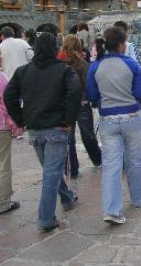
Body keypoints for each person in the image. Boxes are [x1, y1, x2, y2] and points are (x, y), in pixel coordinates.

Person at [4, 32, 81, 231]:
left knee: (50, 170)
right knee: (51, 172)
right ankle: (46, 218)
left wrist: (21, 119)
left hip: (36, 129)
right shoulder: (64, 71)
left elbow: (8, 96)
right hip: (57, 127)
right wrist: (68, 120)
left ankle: (67, 198)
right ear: (55, 48)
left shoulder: (23, 71)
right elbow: (75, 93)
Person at [86, 27, 141, 225]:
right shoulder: (132, 65)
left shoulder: (95, 67)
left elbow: (92, 96)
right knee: (135, 160)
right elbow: (140, 93)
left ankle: (112, 209)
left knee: (111, 165)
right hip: (131, 117)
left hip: (108, 120)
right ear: (122, 44)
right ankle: (137, 199)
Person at [58, 35, 102, 178]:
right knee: (88, 134)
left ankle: (72, 170)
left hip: (64, 104)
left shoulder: (58, 62)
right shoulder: (82, 64)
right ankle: (97, 160)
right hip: (81, 103)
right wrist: (92, 100)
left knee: (68, 138)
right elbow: (89, 84)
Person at [112, 21, 141, 126]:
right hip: (131, 92)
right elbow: (139, 69)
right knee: (140, 120)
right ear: (126, 33)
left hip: (113, 95)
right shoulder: (130, 46)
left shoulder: (106, 49)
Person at [0, 71, 20, 215]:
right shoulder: (1, 78)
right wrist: (16, 126)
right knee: (3, 165)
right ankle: (3, 202)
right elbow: (7, 103)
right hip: (1, 127)